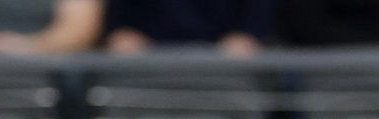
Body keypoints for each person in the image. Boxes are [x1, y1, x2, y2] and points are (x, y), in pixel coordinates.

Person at [104, 0, 273, 55]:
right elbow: (119, 30)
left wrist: (245, 38)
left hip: (223, 69)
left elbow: (251, 31)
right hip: (148, 67)